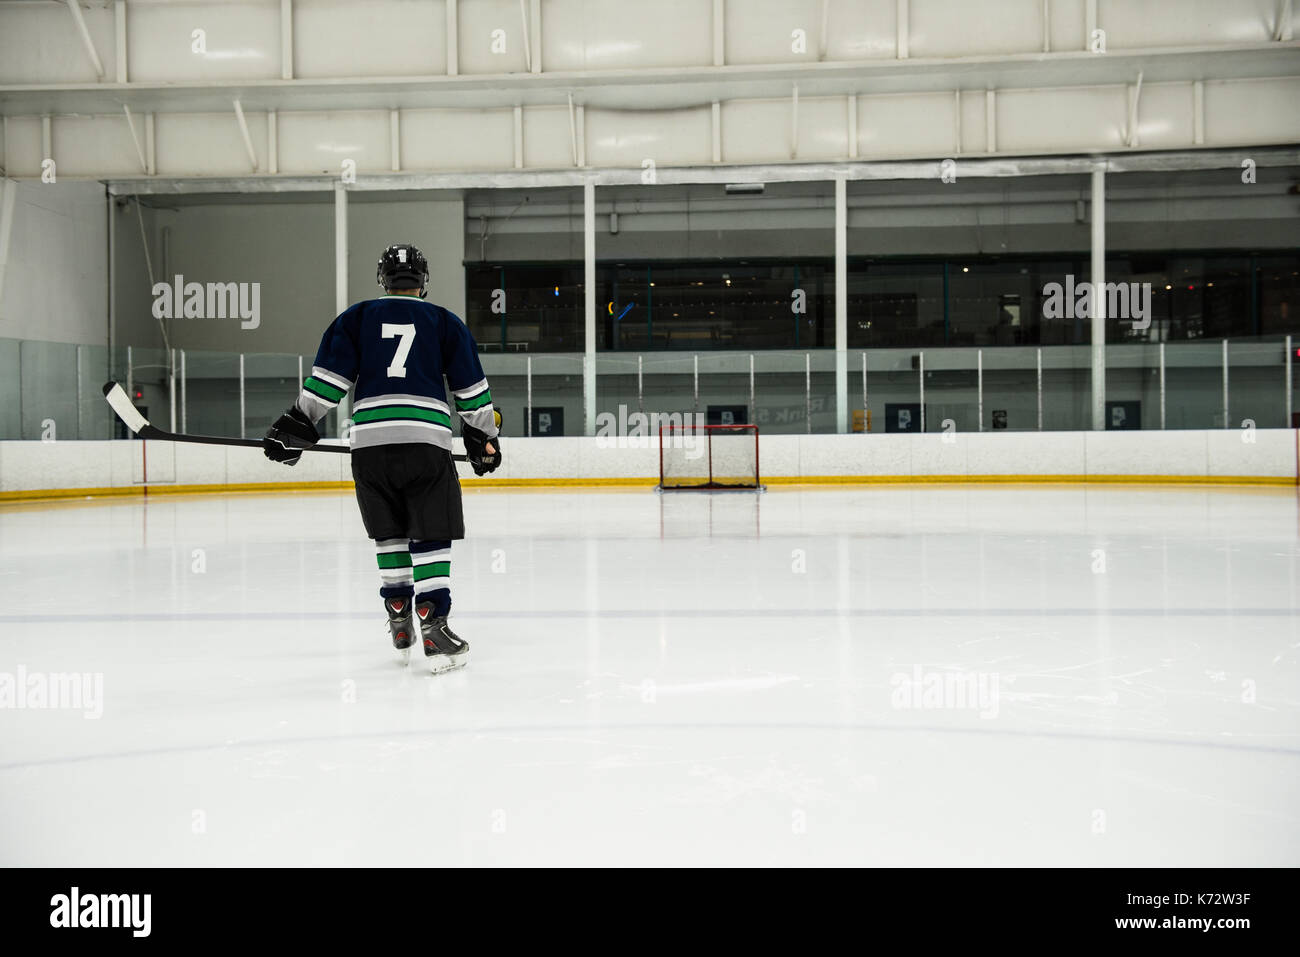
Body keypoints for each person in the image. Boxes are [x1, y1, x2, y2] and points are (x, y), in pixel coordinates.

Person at [262, 243, 501, 674]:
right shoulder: (445, 322)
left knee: (388, 531)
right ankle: (434, 624)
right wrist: (484, 436)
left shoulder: (356, 318)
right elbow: (471, 394)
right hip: (425, 440)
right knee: (430, 531)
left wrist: (295, 423)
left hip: (369, 445)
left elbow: (327, 384)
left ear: (382, 280)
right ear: (423, 281)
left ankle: (398, 615)